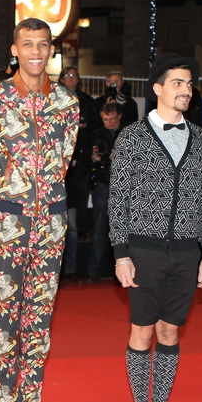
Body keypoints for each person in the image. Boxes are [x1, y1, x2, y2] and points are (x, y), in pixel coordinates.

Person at [0, 18, 79, 402]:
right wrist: (6, 203)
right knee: (6, 319)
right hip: (7, 225)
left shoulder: (68, 104)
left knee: (39, 319)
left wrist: (44, 204)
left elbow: (64, 160)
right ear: (14, 50)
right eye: (27, 44)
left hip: (51, 225)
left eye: (43, 44)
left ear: (52, 51)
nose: (36, 51)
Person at [109, 53, 202, 402]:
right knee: (142, 331)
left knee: (170, 332)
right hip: (143, 249)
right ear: (158, 88)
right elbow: (117, 197)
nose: (186, 90)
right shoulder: (132, 137)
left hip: (187, 250)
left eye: (189, 85)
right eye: (178, 83)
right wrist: (120, 252)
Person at [59, 66, 99, 282]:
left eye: (75, 75)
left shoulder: (88, 101)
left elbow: (93, 129)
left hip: (80, 170)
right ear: (61, 79)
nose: (71, 79)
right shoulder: (54, 98)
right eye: (68, 75)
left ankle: (72, 269)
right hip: (58, 171)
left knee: (74, 226)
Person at [86, 103, 122, 282]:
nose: (109, 122)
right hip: (103, 184)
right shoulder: (95, 135)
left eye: (112, 119)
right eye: (105, 119)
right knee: (99, 230)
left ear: (119, 117)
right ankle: (93, 270)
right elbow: (91, 162)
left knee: (123, 231)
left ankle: (124, 270)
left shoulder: (128, 135)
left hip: (123, 187)